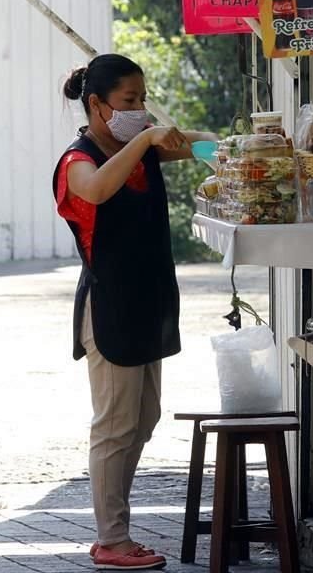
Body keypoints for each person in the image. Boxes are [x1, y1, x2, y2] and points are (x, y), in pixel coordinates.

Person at [52, 54, 214, 570]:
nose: (139, 110)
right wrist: (144, 139)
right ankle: (111, 539)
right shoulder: (77, 160)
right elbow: (97, 189)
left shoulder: (139, 149)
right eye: (129, 101)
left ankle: (115, 530)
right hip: (111, 308)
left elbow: (202, 145)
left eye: (143, 99)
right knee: (115, 424)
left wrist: (234, 147)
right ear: (97, 105)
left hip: (150, 302)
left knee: (143, 418)